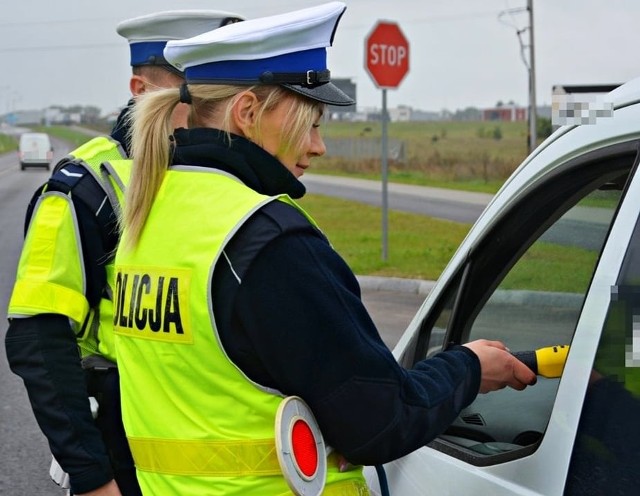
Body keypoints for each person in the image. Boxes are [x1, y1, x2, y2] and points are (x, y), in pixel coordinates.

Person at [113, 2, 537, 494]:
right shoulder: (268, 239)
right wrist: (468, 367)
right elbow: (378, 421)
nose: (319, 147)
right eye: (310, 123)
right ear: (248, 112)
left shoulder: (152, 211)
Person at [4, 10, 244, 496]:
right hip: (123, 452)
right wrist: (94, 478)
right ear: (141, 91)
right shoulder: (84, 188)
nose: (212, 112)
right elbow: (38, 338)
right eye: (195, 95)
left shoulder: (228, 178)